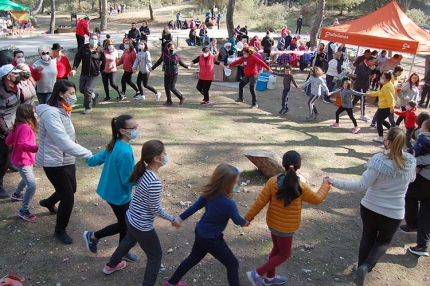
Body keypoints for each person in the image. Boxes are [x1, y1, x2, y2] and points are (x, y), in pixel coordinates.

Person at [326, 127, 416, 286]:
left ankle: (360, 267)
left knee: (368, 236)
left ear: (387, 142)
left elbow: (361, 185)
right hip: (394, 213)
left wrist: (335, 182)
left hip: (371, 207)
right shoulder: (410, 162)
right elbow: (412, 179)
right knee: (383, 241)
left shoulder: (378, 161)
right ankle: (366, 267)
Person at [245, 150, 331, 286]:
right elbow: (317, 199)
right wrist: (326, 184)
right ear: (299, 166)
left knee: (276, 250)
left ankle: (270, 278)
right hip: (286, 229)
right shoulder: (301, 186)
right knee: (284, 254)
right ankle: (257, 274)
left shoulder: (272, 182)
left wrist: (248, 218)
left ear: (283, 164)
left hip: (273, 224)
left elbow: (259, 202)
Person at [102, 140, 181, 281]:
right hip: (141, 225)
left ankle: (111, 265)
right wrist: (172, 219)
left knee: (129, 241)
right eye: (164, 153)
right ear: (156, 159)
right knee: (155, 256)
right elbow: (155, 209)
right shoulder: (154, 181)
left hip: (131, 218)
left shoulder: (143, 171)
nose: (166, 155)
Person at [164, 164, 248, 286]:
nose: (237, 185)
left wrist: (179, 218)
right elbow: (237, 220)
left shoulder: (209, 194)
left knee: (192, 259)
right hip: (212, 239)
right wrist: (245, 222)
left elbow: (195, 207)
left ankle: (171, 283)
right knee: (233, 264)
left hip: (201, 232)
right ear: (227, 184)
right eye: (235, 182)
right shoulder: (229, 204)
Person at [37, 80, 93, 244]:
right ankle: (59, 231)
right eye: (71, 93)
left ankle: (48, 202)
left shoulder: (64, 110)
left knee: (72, 189)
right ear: (60, 93)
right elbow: (62, 141)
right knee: (68, 198)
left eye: (74, 93)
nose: (74, 97)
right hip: (52, 161)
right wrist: (88, 155)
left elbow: (68, 137)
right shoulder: (51, 114)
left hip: (66, 158)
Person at [83, 115, 139, 261]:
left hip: (111, 191)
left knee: (126, 224)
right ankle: (93, 236)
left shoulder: (115, 143)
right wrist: (142, 179)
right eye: (133, 128)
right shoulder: (125, 151)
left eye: (136, 126)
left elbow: (96, 160)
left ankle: (122, 252)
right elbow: (127, 181)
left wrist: (88, 159)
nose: (136, 130)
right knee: (125, 225)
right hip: (118, 196)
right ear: (122, 130)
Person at [5, 104, 38, 221]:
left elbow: (8, 140)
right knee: (32, 185)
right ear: (27, 114)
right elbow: (21, 145)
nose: (35, 112)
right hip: (23, 161)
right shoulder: (24, 127)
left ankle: (17, 194)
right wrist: (35, 148)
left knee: (26, 179)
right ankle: (23, 210)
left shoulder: (19, 125)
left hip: (25, 160)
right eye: (33, 110)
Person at [0, 65, 22, 198]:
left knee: (12, 151)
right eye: (15, 74)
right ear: (8, 76)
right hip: (4, 130)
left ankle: (11, 164)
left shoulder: (14, 87)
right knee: (3, 158)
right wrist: (6, 133)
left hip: (12, 126)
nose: (18, 75)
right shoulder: (2, 93)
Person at [71, 33, 102, 114]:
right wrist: (74, 69)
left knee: (87, 89)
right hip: (84, 73)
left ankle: (88, 107)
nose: (93, 40)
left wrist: (100, 70)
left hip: (94, 74)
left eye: (95, 39)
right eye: (92, 38)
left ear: (97, 40)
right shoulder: (83, 47)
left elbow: (104, 62)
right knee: (82, 89)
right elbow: (77, 58)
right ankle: (94, 96)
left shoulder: (99, 50)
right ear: (89, 39)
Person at [366, 71, 396, 143]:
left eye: (383, 78)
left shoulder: (386, 87)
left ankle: (381, 137)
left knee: (379, 121)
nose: (381, 79)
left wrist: (392, 108)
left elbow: (390, 98)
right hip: (385, 106)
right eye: (381, 77)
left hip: (385, 107)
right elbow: (379, 93)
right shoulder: (388, 84)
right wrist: (370, 94)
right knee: (381, 120)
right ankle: (392, 132)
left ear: (387, 79)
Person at [352, 55, 376, 122]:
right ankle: (362, 115)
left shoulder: (367, 66)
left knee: (356, 98)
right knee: (363, 100)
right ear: (370, 61)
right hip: (361, 85)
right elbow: (364, 75)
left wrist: (371, 76)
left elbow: (367, 75)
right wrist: (371, 70)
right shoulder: (363, 65)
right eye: (373, 62)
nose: (374, 63)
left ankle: (348, 109)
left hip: (363, 85)